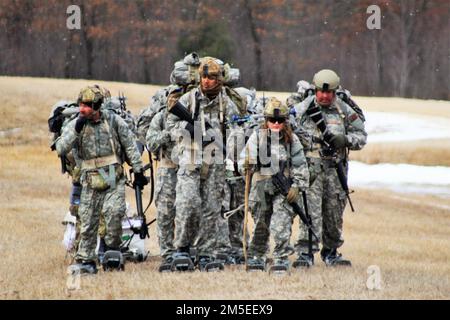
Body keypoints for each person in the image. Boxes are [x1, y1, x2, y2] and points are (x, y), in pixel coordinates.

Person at [55, 86, 147, 274]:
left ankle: (112, 252)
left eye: (87, 105)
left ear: (97, 106)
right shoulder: (76, 124)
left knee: (114, 215)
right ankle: (86, 260)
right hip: (89, 181)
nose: (83, 109)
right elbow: (61, 148)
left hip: (114, 179)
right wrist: (76, 130)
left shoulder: (114, 121)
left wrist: (138, 171)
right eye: (81, 105)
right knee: (88, 223)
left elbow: (129, 146)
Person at [166, 57, 244, 271]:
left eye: (211, 77)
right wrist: (188, 130)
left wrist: (232, 148)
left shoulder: (226, 103)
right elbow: (170, 126)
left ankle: (206, 253)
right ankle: (182, 248)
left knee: (211, 208)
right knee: (188, 204)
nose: (207, 81)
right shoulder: (189, 99)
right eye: (204, 77)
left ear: (219, 80)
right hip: (190, 159)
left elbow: (237, 130)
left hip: (215, 162)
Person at [292, 69, 367, 267]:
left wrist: (346, 140)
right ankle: (305, 253)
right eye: (321, 92)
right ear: (315, 90)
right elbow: (285, 130)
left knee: (334, 212)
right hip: (311, 170)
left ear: (335, 92)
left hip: (335, 169)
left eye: (329, 92)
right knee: (310, 211)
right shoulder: (302, 109)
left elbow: (361, 137)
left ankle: (331, 252)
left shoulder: (344, 111)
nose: (324, 96)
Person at [238, 97, 309, 271]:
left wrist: (296, 187)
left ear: (286, 122)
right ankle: (257, 255)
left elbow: (301, 166)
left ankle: (281, 257)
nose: (276, 123)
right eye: (272, 120)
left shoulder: (292, 141)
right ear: (266, 121)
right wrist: (247, 164)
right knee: (261, 224)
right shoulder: (257, 137)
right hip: (261, 188)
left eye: (280, 120)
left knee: (281, 224)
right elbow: (243, 163)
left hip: (283, 191)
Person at [145, 53, 201, 272]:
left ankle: (188, 250)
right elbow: (150, 141)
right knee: (166, 211)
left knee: (191, 209)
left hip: (194, 167)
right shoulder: (162, 115)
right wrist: (171, 133)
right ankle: (168, 255)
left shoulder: (202, 110)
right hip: (169, 167)